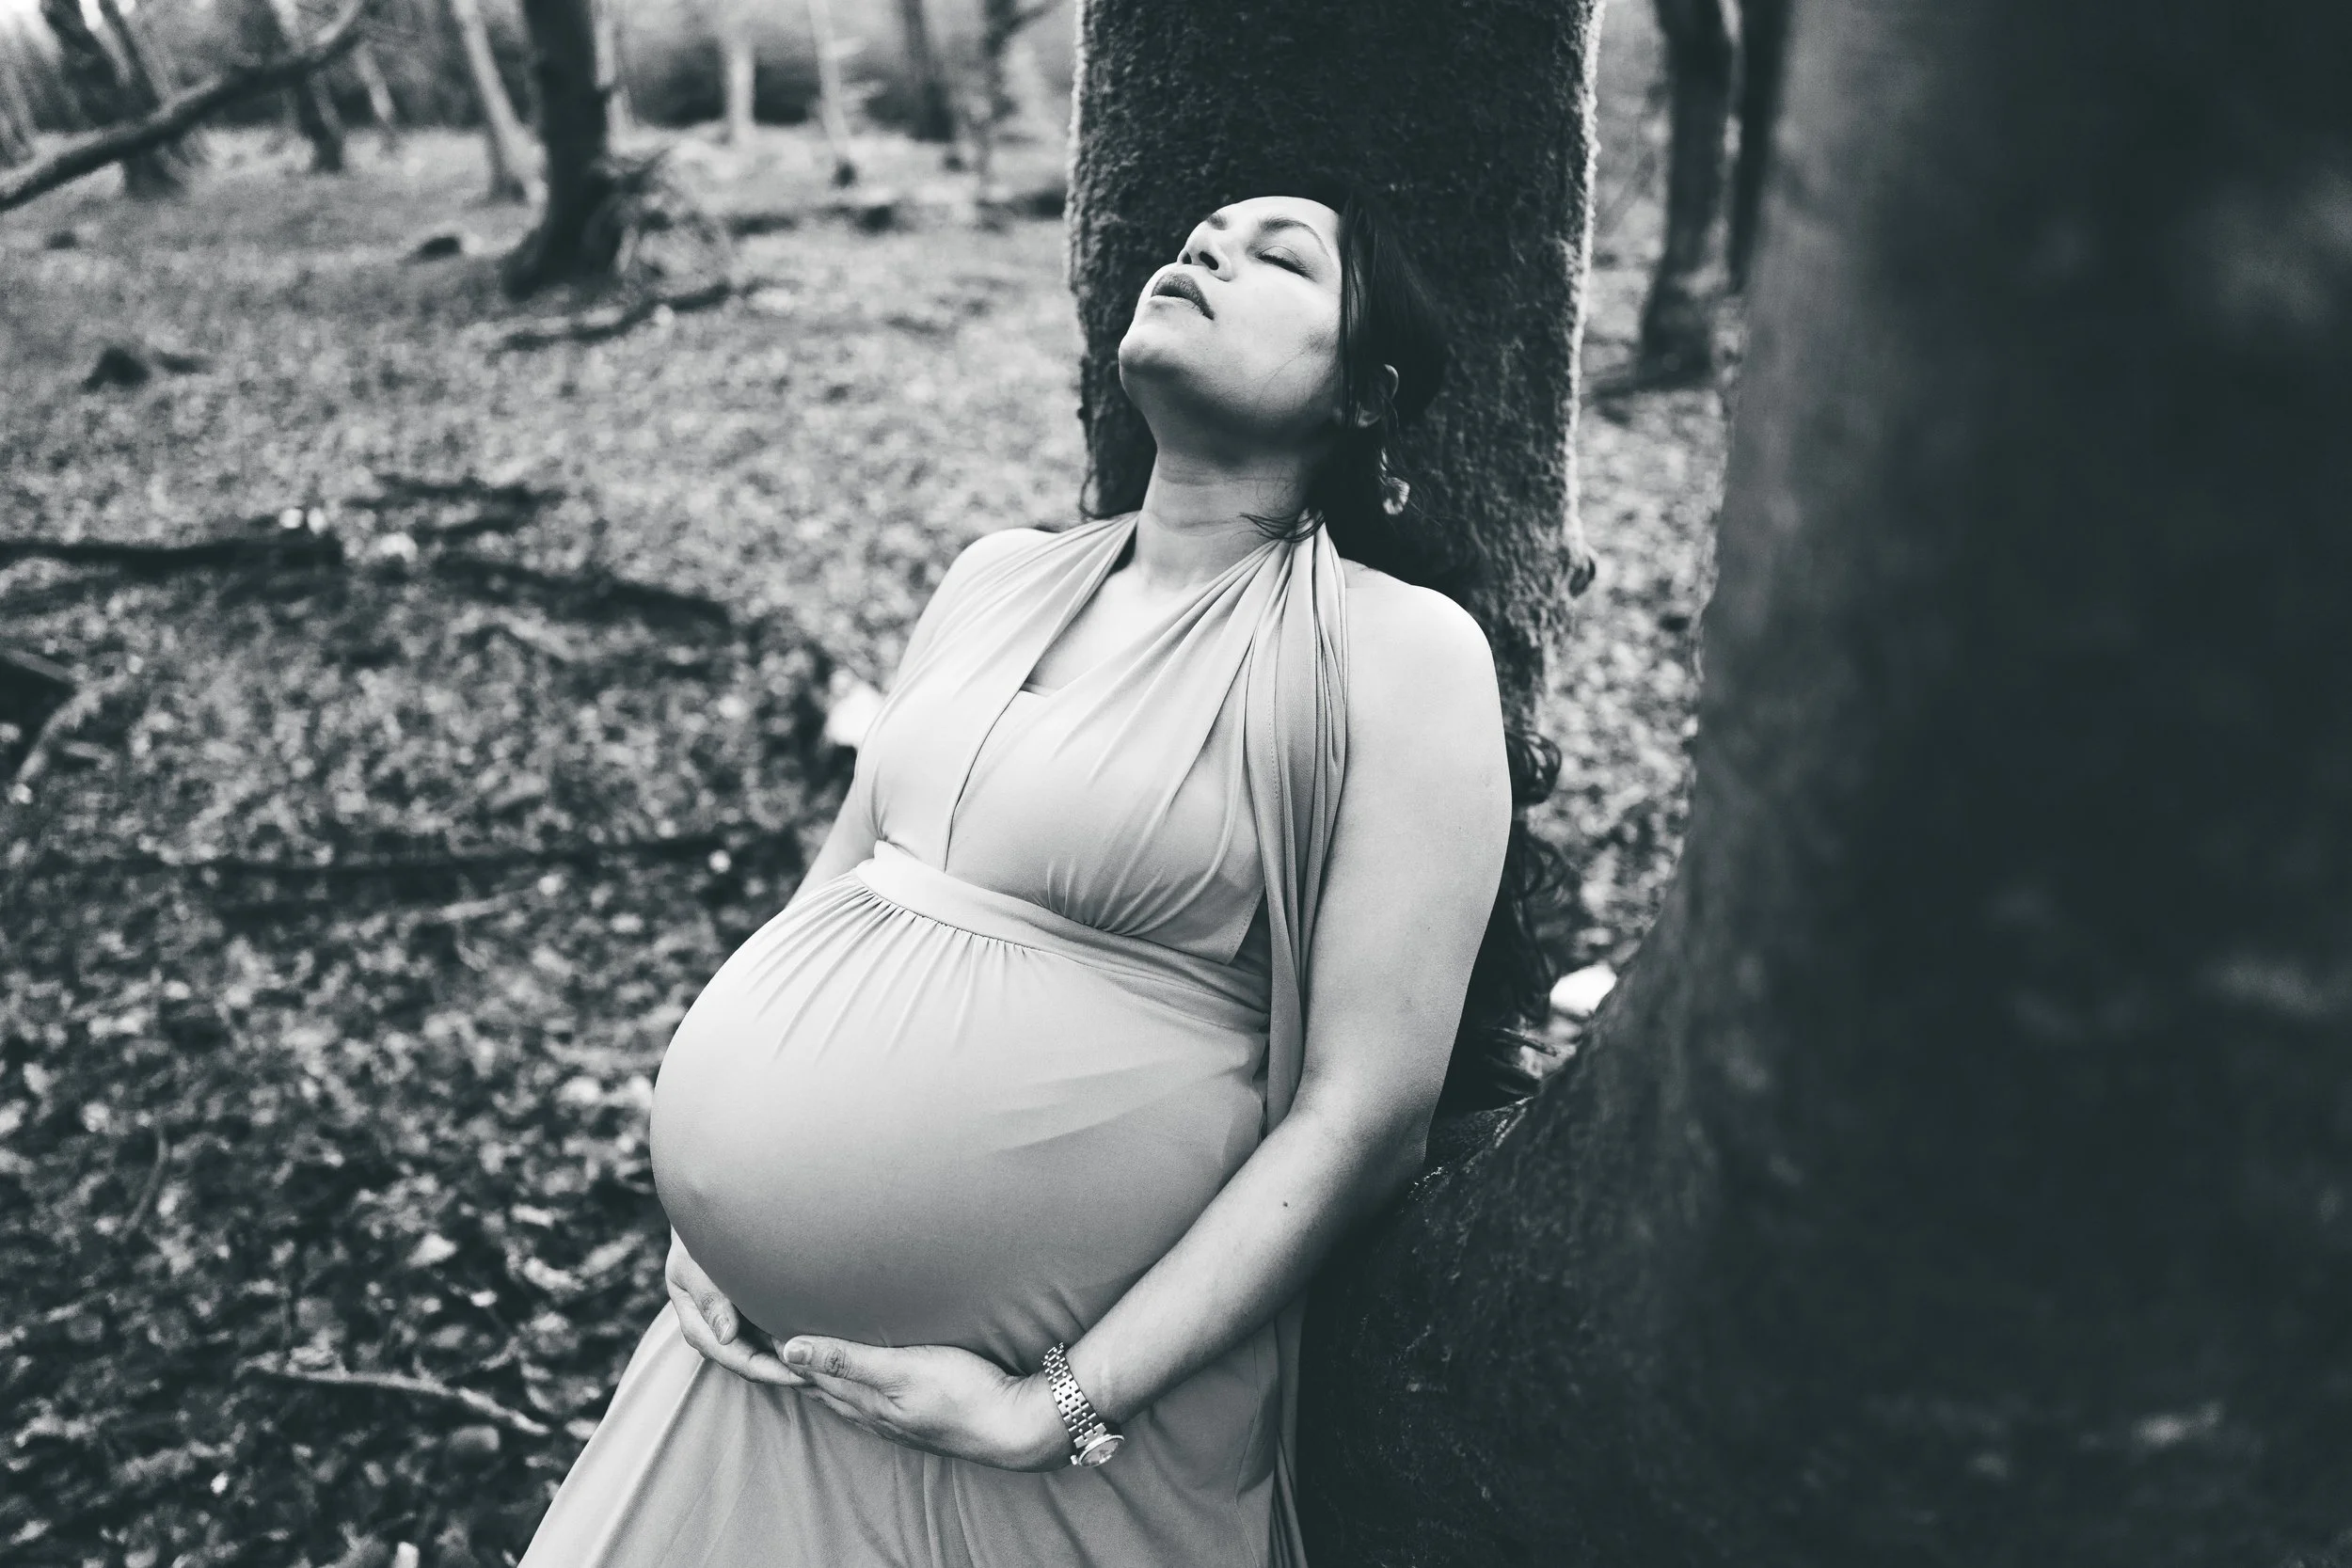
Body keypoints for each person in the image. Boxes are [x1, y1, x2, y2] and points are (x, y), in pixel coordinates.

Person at [517, 170, 1556, 1567]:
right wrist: (721, 1216)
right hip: (741, 1361)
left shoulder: (1395, 650)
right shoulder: (993, 575)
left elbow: (1364, 1112)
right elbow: (833, 892)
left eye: (1282, 258)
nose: (1208, 250)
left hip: (1028, 1451)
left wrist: (1046, 1408)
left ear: (1364, 395)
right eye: (1203, 236)